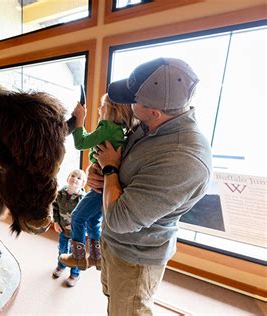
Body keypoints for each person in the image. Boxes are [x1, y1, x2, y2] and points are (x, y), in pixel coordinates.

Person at [90, 57, 212, 315]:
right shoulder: (149, 126)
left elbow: (120, 219)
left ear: (155, 112)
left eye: (134, 99)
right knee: (113, 301)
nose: (129, 104)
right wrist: (102, 175)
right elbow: (125, 178)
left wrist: (110, 168)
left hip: (136, 257)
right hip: (115, 244)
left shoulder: (183, 160)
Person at [59, 94, 137, 272]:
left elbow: (81, 143)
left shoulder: (107, 127)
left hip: (100, 188)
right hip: (106, 186)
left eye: (102, 106)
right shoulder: (121, 130)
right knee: (94, 220)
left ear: (111, 109)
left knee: (77, 217)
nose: (99, 109)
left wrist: (80, 119)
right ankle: (96, 257)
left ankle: (77, 257)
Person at [51, 169, 86, 287]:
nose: (75, 178)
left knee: (75, 253)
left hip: (76, 233)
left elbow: (86, 217)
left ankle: (75, 274)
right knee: (62, 249)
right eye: (73, 175)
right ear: (67, 178)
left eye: (79, 178)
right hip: (63, 230)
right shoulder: (60, 194)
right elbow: (55, 207)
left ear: (82, 184)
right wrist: (56, 222)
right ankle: (61, 265)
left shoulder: (82, 198)